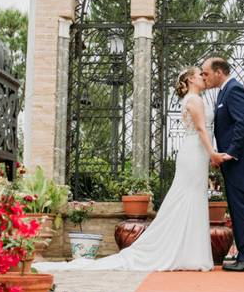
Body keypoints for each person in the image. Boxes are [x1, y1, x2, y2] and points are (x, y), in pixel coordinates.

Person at [33, 67, 214, 272]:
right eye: (200, 74)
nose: (203, 77)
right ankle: (188, 254)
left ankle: (188, 253)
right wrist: (214, 153)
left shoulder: (191, 100)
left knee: (191, 198)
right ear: (190, 79)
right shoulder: (195, 100)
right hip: (195, 153)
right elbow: (200, 129)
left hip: (195, 153)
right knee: (188, 198)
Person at [200, 57, 244, 272]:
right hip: (234, 164)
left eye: (206, 73)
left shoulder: (235, 90)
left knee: (242, 209)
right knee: (237, 210)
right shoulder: (224, 91)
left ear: (219, 72)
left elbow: (243, 123)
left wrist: (230, 153)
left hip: (240, 162)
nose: (204, 77)